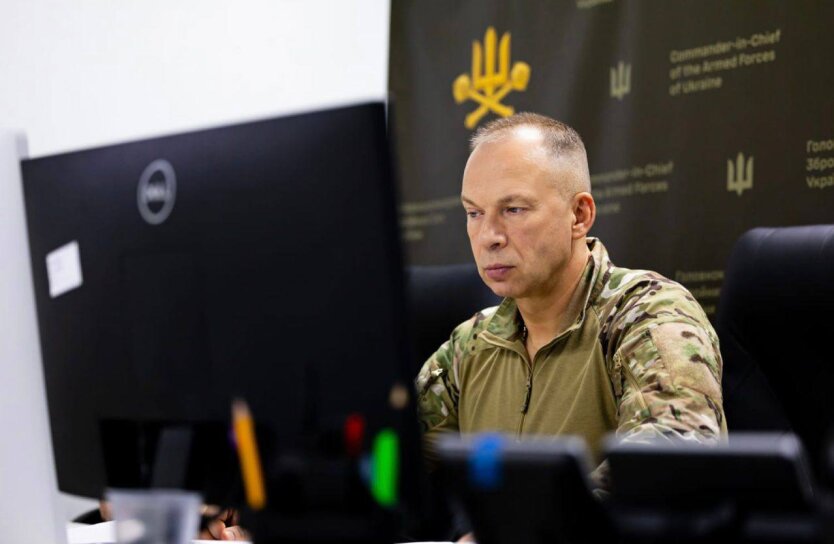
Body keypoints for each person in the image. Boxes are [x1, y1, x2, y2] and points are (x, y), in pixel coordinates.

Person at [415, 113, 727, 491]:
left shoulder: (647, 314)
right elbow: (388, 465)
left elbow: (673, 458)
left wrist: (528, 527)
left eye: (514, 209)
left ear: (579, 215)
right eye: (474, 213)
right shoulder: (470, 345)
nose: (488, 236)